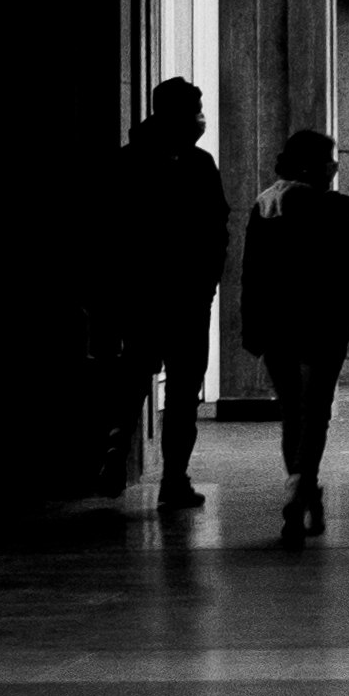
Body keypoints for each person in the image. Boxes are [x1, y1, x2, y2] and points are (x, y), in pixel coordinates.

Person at [239, 123, 349, 545]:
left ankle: (302, 487)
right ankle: (301, 488)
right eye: (329, 161)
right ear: (311, 165)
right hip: (325, 323)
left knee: (292, 412)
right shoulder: (335, 209)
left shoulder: (265, 207)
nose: (333, 168)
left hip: (278, 324)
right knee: (316, 412)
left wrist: (251, 325)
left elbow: (252, 274)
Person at [106, 71, 229, 513]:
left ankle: (116, 448)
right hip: (187, 298)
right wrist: (208, 281)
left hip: (139, 295)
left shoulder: (124, 163)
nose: (202, 120)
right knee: (182, 393)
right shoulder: (199, 165)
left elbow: (107, 234)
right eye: (197, 111)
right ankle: (173, 479)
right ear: (180, 116)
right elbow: (217, 229)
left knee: (133, 374)